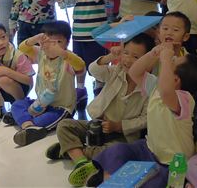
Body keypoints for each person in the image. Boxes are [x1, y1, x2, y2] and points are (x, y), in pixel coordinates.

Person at [74, 43, 197, 187]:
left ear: (176, 80)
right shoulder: (156, 86)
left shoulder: (185, 99)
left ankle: (114, 177)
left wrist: (166, 59)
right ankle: (106, 174)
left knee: (155, 182)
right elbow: (135, 72)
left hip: (171, 162)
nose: (171, 59)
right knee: (119, 150)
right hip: (149, 148)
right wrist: (153, 53)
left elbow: (166, 92)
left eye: (173, 62)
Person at [52, 34, 153, 186]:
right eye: (126, 53)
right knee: (64, 125)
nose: (128, 60)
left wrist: (119, 126)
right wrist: (110, 57)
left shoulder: (149, 86)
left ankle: (72, 150)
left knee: (117, 151)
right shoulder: (116, 71)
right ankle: (81, 161)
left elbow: (146, 119)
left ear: (148, 61)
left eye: (136, 57)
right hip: (98, 126)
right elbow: (93, 70)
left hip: (122, 136)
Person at [6, 21, 84, 147]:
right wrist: (35, 39)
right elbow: (22, 48)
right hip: (41, 103)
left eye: (58, 42)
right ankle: (28, 125)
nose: (52, 46)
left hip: (61, 108)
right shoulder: (41, 53)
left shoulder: (68, 58)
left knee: (40, 120)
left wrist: (63, 53)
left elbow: (81, 66)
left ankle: (25, 122)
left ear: (67, 43)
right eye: (48, 41)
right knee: (17, 104)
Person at [58, 0, 109, 101]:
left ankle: (100, 86)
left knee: (98, 63)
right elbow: (69, 3)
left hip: (99, 32)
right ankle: (80, 88)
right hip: (79, 31)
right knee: (78, 63)